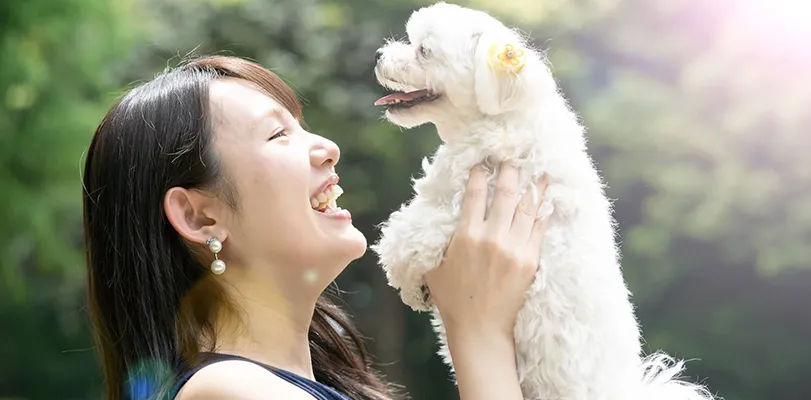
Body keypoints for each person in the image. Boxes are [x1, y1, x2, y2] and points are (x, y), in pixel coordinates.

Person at [82, 55, 550, 400]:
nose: (328, 147)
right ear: (200, 216)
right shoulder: (226, 392)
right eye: (278, 134)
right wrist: (477, 332)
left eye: (302, 127)